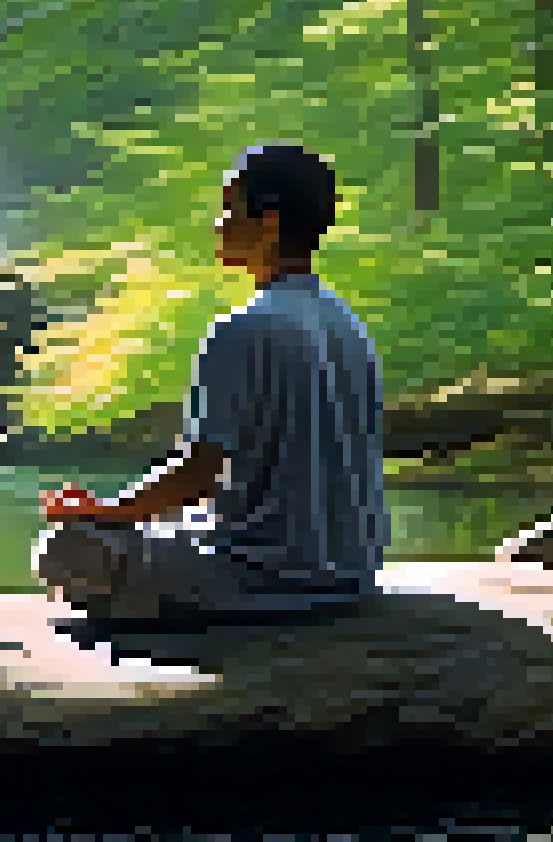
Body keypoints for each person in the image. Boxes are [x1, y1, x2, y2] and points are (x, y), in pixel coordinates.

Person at [31, 142, 389, 624]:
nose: (217, 225)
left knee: (64, 546)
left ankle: (156, 603)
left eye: (229, 211)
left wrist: (103, 512)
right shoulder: (350, 326)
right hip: (352, 574)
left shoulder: (239, 329)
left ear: (270, 225)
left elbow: (197, 476)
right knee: (171, 524)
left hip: (262, 577)